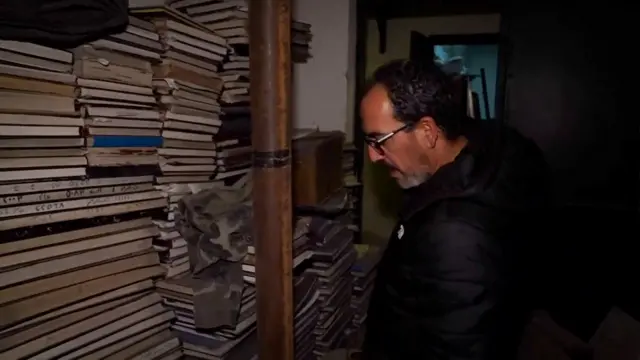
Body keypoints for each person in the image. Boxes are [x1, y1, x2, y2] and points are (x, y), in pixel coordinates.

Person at [359, 59, 550, 359]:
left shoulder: (454, 235)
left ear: (427, 131)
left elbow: (458, 348)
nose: (373, 157)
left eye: (379, 141)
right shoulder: (488, 145)